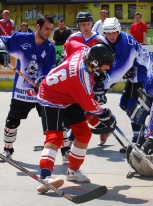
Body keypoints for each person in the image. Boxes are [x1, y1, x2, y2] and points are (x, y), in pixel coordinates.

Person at [36, 41, 116, 192]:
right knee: (55, 136)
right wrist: (105, 115)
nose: (109, 67)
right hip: (50, 98)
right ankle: (45, 177)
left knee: (84, 133)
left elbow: (68, 44)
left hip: (68, 96)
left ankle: (73, 171)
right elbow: (90, 105)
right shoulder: (82, 77)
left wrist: (63, 64)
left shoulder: (84, 50)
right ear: (95, 62)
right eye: (107, 64)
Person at [0, 15, 56, 163]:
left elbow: (49, 70)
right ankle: (7, 150)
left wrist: (41, 82)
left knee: (56, 122)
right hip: (21, 93)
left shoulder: (50, 48)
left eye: (51, 30)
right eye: (46, 29)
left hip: (41, 93)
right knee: (12, 121)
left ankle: (65, 150)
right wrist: (1, 52)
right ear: (38, 27)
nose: (49, 32)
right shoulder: (21, 39)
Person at [99, 17, 153, 151]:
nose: (111, 35)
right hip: (134, 75)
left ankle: (139, 139)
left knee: (135, 107)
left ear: (118, 31)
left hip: (143, 74)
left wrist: (102, 88)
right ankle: (141, 136)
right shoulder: (106, 40)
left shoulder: (125, 44)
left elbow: (118, 72)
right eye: (108, 32)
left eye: (114, 32)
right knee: (126, 104)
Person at [59, 11, 108, 162]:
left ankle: (102, 128)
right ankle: (70, 145)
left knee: (86, 112)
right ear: (78, 25)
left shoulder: (99, 39)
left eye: (88, 24)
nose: (85, 27)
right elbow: (64, 59)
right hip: (74, 83)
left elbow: (106, 63)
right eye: (82, 24)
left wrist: (101, 80)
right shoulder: (72, 38)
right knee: (76, 113)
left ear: (91, 24)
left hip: (90, 84)